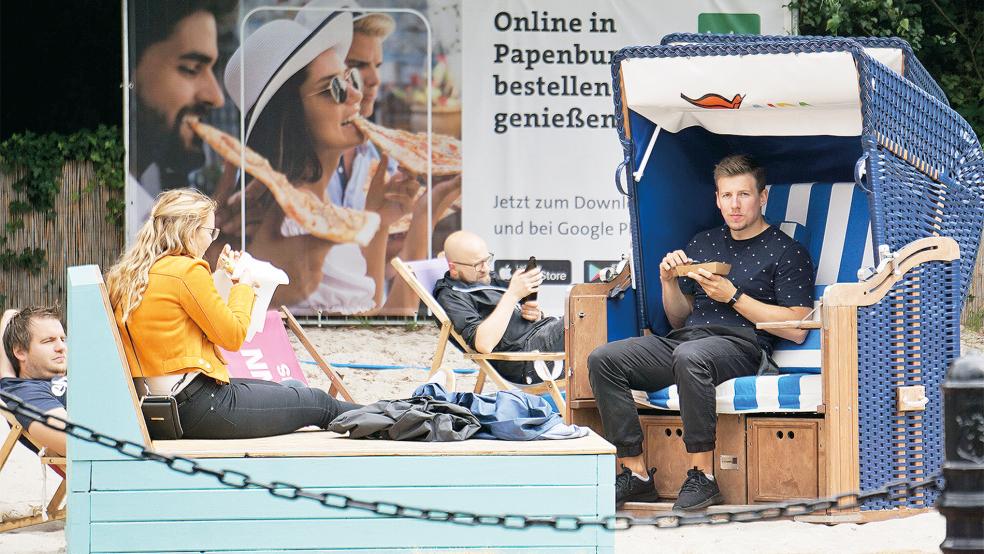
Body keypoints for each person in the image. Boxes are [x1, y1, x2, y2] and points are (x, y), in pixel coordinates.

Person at [587, 154, 816, 510]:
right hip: (687, 339)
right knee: (605, 359)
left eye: (743, 194)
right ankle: (636, 474)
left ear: (763, 197)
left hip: (743, 345)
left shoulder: (788, 252)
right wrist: (668, 282)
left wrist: (734, 296)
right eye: (727, 196)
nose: (735, 205)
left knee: (690, 357)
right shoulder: (703, 244)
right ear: (717, 199)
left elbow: (797, 328)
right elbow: (680, 319)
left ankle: (703, 476)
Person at [212, 4, 460, 314]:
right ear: (292, 114)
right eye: (334, 88)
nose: (355, 94)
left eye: (348, 78)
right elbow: (383, 327)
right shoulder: (293, 221)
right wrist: (427, 212)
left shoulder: (317, 208)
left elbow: (370, 309)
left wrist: (381, 220)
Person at [104, 188, 361, 440]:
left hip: (158, 402)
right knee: (318, 403)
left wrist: (218, 278)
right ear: (190, 230)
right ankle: (392, 420)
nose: (211, 239)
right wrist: (244, 286)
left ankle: (389, 416)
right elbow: (232, 336)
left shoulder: (129, 274)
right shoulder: (186, 270)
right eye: (210, 232)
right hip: (196, 405)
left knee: (292, 388)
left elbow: (186, 313)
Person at [127, 0, 235, 239]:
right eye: (190, 68)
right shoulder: (126, 204)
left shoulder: (158, 184)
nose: (216, 97)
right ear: (130, 70)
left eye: (211, 70)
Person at [432, 231, 563, 385]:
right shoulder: (451, 297)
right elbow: (483, 344)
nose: (486, 268)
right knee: (586, 318)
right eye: (477, 265)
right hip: (528, 359)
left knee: (586, 314)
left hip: (543, 334)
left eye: (487, 260)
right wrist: (512, 294)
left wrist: (535, 315)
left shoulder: (486, 279)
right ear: (453, 268)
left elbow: (510, 313)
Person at [0, 307, 68, 456]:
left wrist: (8, 316)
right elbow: (72, 442)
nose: (61, 347)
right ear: (19, 352)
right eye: (48, 341)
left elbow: (8, 314)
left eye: (62, 339)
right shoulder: (25, 392)